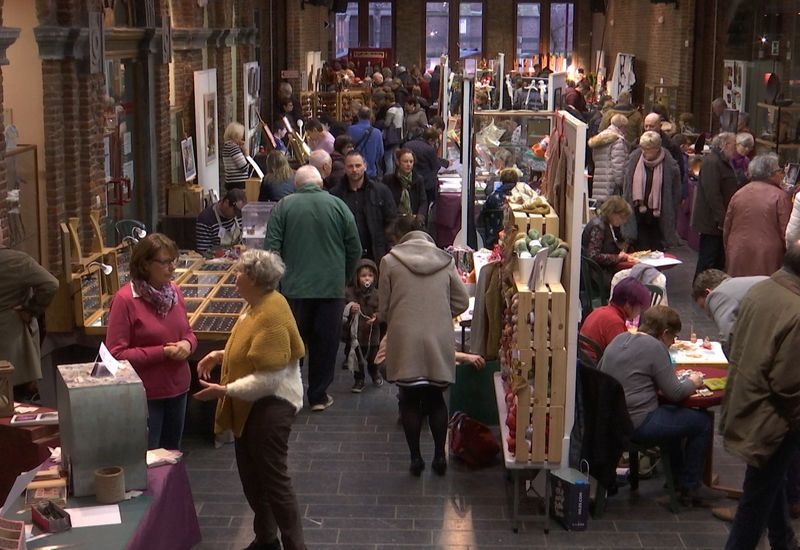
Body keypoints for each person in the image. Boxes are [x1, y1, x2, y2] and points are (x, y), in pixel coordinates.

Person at [193, 249, 306, 550]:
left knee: (274, 481)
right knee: (252, 478)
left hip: (273, 404)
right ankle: (267, 540)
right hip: (251, 405)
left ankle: (296, 546)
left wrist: (225, 391)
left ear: (253, 278)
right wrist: (220, 355)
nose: (235, 275)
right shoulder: (253, 304)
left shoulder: (273, 312)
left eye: (239, 271)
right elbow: (245, 347)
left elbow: (270, 379)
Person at [598, 305, 721, 506]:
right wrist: (694, 382)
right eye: (673, 338)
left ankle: (678, 479)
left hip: (613, 419)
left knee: (674, 417)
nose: (672, 343)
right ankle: (691, 486)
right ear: (664, 333)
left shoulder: (619, 339)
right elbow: (675, 393)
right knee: (702, 422)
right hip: (637, 422)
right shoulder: (655, 347)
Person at [721, 240, 800, 549]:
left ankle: (783, 539)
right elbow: (788, 382)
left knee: (767, 481)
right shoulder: (796, 311)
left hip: (746, 400)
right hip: (774, 418)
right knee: (754, 503)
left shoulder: (760, 290)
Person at [264, 166, 362, 412]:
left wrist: (278, 283)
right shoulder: (339, 206)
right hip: (331, 289)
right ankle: (318, 395)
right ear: (320, 184)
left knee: (293, 346)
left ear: (297, 185)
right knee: (326, 345)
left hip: (293, 290)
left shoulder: (283, 207)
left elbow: (271, 249)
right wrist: (344, 276)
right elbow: (355, 248)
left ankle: (290, 395)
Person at [378, 223, 469, 476]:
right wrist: (440, 314)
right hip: (437, 338)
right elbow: (461, 301)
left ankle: (415, 458)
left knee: (409, 399)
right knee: (436, 399)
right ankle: (440, 457)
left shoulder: (389, 261)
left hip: (404, 338)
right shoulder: (446, 261)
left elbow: (383, 308)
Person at [106, 233, 197, 450]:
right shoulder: (125, 300)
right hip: (147, 395)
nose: (172, 268)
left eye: (173, 261)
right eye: (165, 262)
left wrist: (188, 345)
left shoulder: (173, 292)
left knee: (172, 456)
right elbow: (116, 355)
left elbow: (188, 333)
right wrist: (162, 352)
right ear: (145, 264)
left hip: (179, 389)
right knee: (150, 460)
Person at [0, 244, 58, 401]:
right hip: (13, 343)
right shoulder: (18, 261)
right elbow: (51, 284)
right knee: (17, 400)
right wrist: (31, 309)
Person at [723, 153, 791, 277]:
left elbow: (727, 227)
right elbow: (786, 232)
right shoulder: (780, 196)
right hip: (767, 256)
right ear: (771, 173)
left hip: (737, 251)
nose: (782, 174)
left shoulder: (739, 194)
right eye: (780, 171)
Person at [331, 150, 398, 262]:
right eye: (350, 166)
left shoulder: (381, 191)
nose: (354, 170)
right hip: (347, 256)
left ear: (365, 166)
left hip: (377, 253)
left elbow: (392, 220)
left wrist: (388, 247)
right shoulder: (335, 195)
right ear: (345, 169)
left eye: (358, 165)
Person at [621, 131, 681, 251]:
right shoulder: (634, 159)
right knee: (641, 247)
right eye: (643, 148)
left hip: (659, 213)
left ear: (657, 148)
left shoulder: (668, 163)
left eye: (648, 149)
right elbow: (626, 184)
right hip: (638, 210)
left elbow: (675, 189)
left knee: (656, 247)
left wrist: (673, 206)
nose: (645, 151)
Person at [690, 132, 738, 279]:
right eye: (734, 145)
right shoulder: (713, 162)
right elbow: (713, 194)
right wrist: (722, 219)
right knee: (708, 258)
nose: (735, 149)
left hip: (715, 221)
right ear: (725, 145)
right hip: (711, 222)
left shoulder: (720, 161)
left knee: (715, 258)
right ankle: (700, 289)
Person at [691, 269, 767, 354]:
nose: (708, 314)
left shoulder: (718, 294)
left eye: (704, 307)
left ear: (707, 293)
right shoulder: (739, 286)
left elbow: (728, 337)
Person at [578, 277, 650, 364]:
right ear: (628, 305)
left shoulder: (600, 310)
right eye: (639, 307)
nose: (639, 312)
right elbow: (622, 357)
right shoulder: (615, 322)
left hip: (585, 361)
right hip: (596, 368)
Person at [342, 259, 383, 393]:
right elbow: (342, 309)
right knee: (358, 359)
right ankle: (359, 379)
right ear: (357, 277)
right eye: (363, 276)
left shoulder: (378, 294)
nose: (367, 278)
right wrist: (349, 308)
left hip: (373, 334)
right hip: (356, 334)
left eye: (370, 275)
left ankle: (375, 373)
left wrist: (377, 317)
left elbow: (382, 311)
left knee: (373, 357)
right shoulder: (349, 293)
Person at [581, 196, 639, 279]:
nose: (623, 221)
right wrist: (618, 257)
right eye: (622, 217)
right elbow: (593, 256)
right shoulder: (599, 227)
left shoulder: (604, 224)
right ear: (613, 213)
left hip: (600, 272)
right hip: (599, 276)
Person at [588, 113, 630, 204]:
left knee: (601, 212)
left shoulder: (599, 138)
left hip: (598, 183)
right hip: (611, 187)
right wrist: (623, 184)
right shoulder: (617, 141)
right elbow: (618, 166)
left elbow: (595, 159)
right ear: (622, 126)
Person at [404, 127, 450, 206]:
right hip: (426, 184)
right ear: (430, 140)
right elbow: (435, 165)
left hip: (409, 180)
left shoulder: (407, 145)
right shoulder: (429, 149)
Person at [195, 188, 246, 254]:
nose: (237, 214)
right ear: (226, 203)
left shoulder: (239, 216)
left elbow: (246, 240)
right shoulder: (206, 219)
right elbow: (203, 252)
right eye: (235, 211)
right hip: (215, 261)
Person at [383, 148, 427, 222]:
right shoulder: (388, 180)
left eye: (411, 161)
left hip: (414, 219)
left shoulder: (418, 179)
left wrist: (420, 216)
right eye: (405, 161)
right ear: (398, 162)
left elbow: (423, 201)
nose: (408, 164)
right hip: (395, 221)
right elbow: (386, 203)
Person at [480, 168, 518, 248]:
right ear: (516, 181)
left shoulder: (493, 196)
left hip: (493, 238)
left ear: (502, 180)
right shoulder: (519, 195)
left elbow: (482, 214)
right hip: (514, 238)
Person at [346, 106, 384, 179]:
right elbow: (380, 153)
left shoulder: (350, 130)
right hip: (371, 171)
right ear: (370, 116)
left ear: (358, 115)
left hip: (354, 170)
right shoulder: (377, 132)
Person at [222, 121, 250, 191]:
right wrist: (246, 153)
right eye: (240, 136)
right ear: (236, 135)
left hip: (231, 182)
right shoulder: (233, 147)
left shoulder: (227, 146)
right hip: (238, 184)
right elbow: (244, 167)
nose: (241, 138)